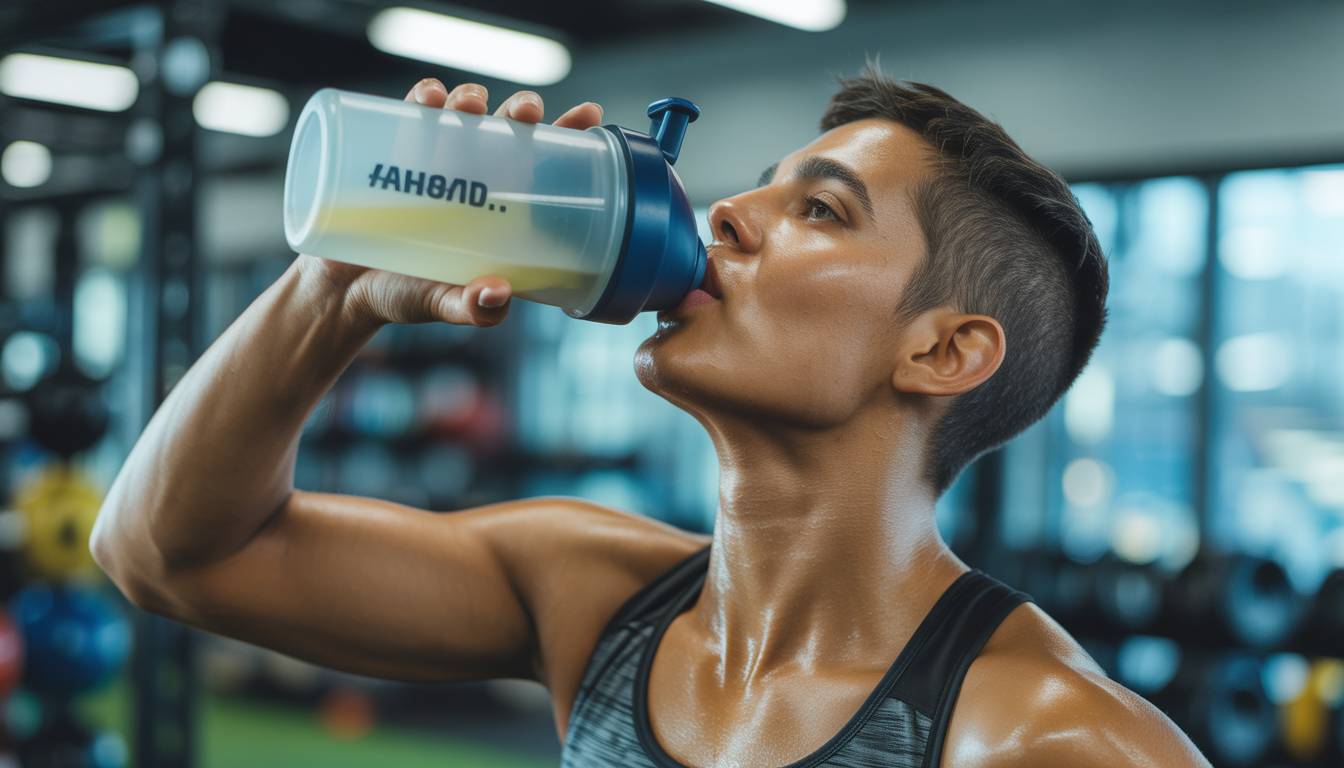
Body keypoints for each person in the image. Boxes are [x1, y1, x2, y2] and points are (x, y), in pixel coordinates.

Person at [91, 67, 1210, 767]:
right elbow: (166, 553)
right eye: (762, 184)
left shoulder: (1042, 739)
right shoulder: (593, 593)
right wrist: (332, 288)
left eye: (819, 207)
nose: (728, 211)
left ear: (944, 350)